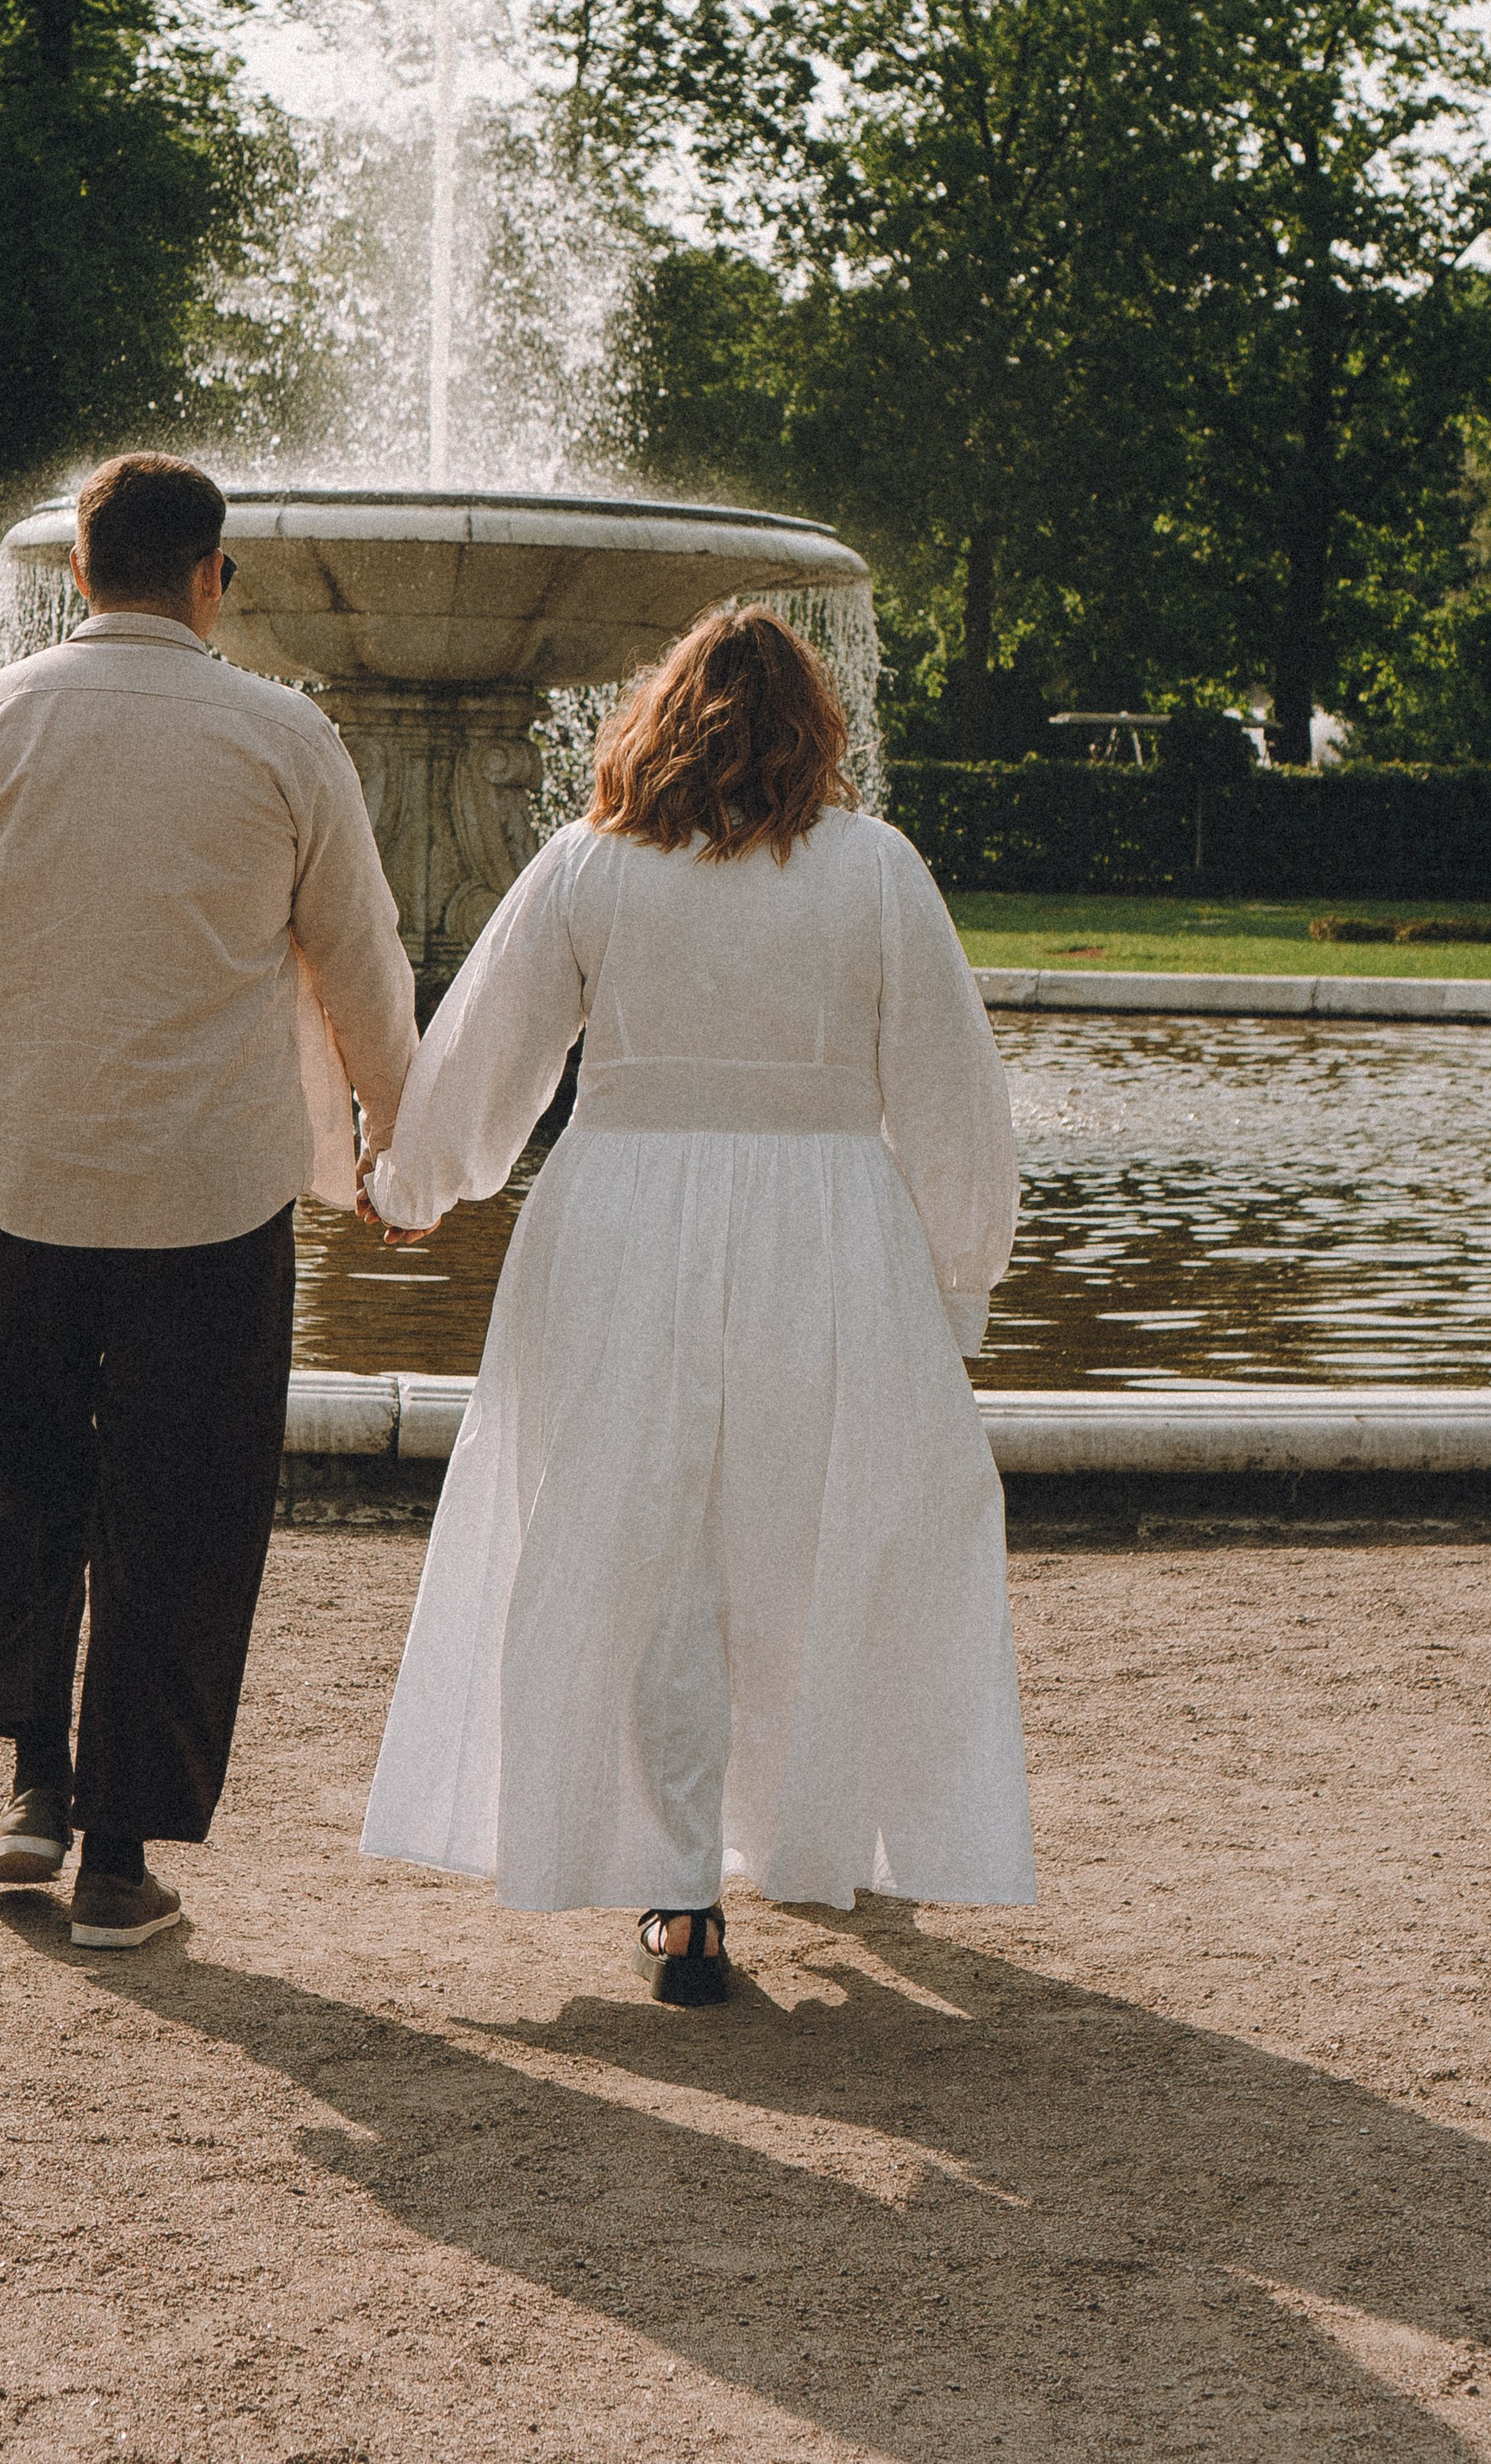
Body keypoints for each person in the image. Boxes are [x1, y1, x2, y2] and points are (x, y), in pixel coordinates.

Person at [356, 604, 1034, 2001]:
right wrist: (961, 1273)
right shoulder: (876, 870)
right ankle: (809, 1837)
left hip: (623, 1224)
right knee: (814, 1530)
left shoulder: (589, 867)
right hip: (830, 1226)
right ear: (817, 730)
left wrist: (416, 1183)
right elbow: (956, 1094)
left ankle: (679, 1894)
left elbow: (491, 1054)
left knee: (643, 1541)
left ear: (657, 722)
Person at [0, 455, 416, 1951]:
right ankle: (118, 1857)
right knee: (188, 1504)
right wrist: (398, 1148)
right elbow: (362, 963)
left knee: (26, 1458)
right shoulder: (287, 739)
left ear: (83, 572)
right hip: (210, 1190)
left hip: (17, 1177)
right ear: (210, 575)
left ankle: (34, 1783)